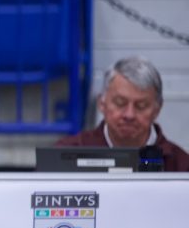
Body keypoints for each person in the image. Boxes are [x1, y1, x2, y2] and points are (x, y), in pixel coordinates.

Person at [55, 56, 189, 171]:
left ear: (157, 110)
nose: (129, 115)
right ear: (102, 103)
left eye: (141, 106)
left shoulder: (181, 166)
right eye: (120, 103)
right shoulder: (65, 155)